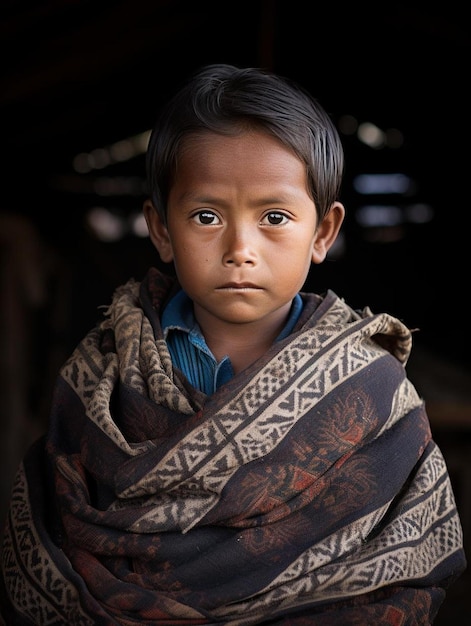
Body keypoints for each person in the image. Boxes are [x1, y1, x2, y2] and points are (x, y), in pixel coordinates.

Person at [0, 63, 466, 625]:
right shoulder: (100, 374)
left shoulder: (374, 388)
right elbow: (50, 520)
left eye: (274, 216)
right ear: (161, 230)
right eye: (205, 216)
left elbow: (405, 564)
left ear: (323, 232)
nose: (240, 247)